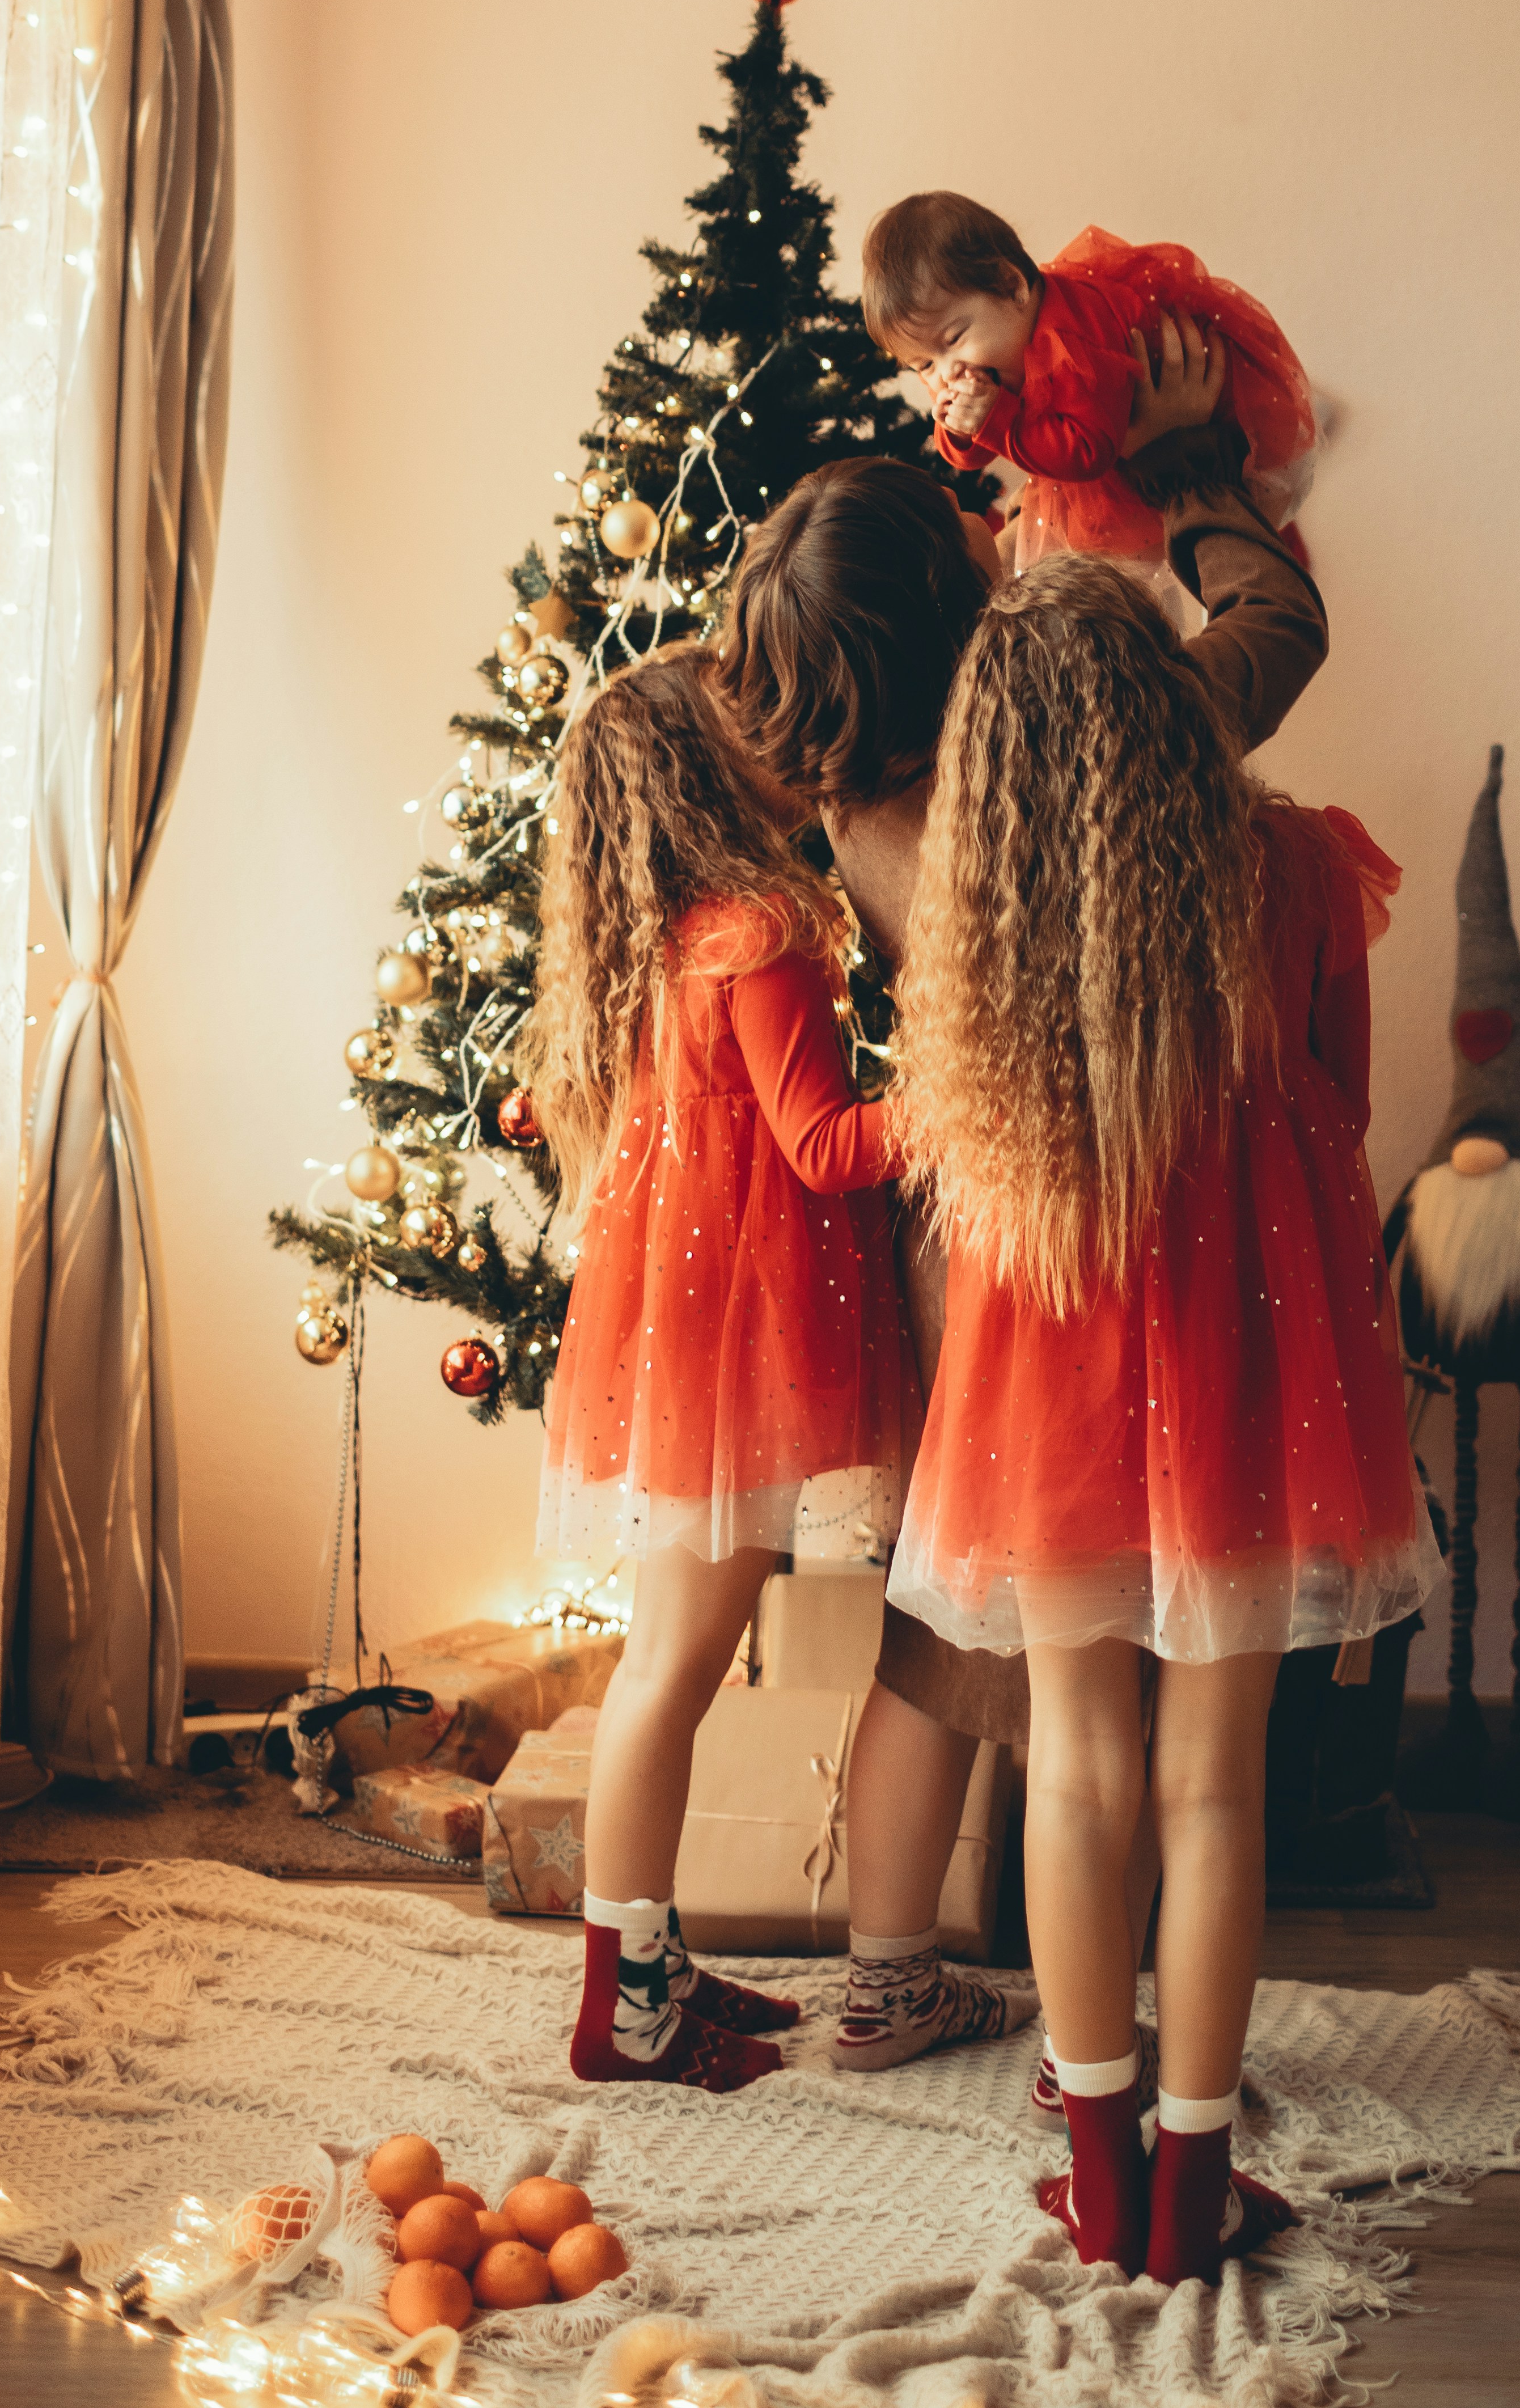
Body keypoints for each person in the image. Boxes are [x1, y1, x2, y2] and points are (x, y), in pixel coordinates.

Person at [715, 320, 1330, 2088]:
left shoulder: (863, 808)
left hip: (978, 1231)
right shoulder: (1121, 749)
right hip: (1157, 1226)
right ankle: (1139, 2058)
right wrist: (1183, 478)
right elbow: (1278, 629)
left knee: (947, 1633)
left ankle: (896, 1974)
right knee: (1143, 1695)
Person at [888, 556, 1443, 2283]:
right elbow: (1343, 1115)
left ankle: (1098, 2171)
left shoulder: (975, 894)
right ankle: (1192, 2189)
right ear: (1171, 698)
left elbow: (949, 1144)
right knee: (1215, 1781)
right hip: (1255, 1364)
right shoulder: (1293, 868)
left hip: (1044, 1357)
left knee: (1077, 1755)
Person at [519, 647, 914, 2093]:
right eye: (750, 719)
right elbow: (825, 1147)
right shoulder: (759, 931)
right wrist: (963, 1095)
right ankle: (623, 2004)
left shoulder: (674, 935)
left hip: (690, 1335)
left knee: (667, 1657)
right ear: (710, 765)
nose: (782, 727)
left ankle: (647, 1958)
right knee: (674, 1664)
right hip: (735, 1347)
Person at [861, 191, 1313, 572]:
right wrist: (959, 426)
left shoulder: (1071, 346)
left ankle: (1256, 542)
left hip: (1160, 434)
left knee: (1147, 563)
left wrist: (996, 420)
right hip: (1098, 448)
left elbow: (1089, 452)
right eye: (922, 366)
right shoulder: (1000, 343)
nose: (946, 373)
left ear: (1011, 286)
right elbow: (975, 453)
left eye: (953, 339)